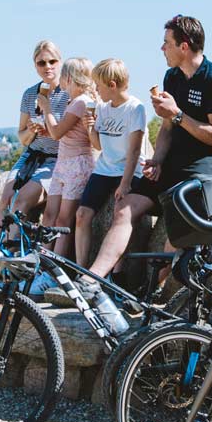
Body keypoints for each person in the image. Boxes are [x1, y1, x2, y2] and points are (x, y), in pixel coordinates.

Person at [86, 15, 212, 287]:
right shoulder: (172, 77)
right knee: (125, 208)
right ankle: (94, 279)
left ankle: (151, 293)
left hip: (203, 168)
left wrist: (178, 114)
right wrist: (157, 159)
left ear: (184, 46)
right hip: (171, 165)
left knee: (180, 231)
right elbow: (167, 128)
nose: (161, 48)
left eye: (166, 43)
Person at [0, 40, 71, 289]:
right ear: (35, 65)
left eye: (52, 61)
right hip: (32, 154)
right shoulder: (30, 94)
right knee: (5, 199)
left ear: (60, 62)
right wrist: (31, 131)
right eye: (41, 62)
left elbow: (69, 135)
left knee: (20, 202)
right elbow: (21, 136)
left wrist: (49, 125)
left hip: (57, 159)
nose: (47, 67)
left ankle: (6, 266)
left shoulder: (69, 93)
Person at [75, 58, 149, 278]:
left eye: (99, 85)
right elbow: (99, 145)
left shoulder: (135, 108)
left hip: (128, 170)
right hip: (104, 169)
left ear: (112, 85)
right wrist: (90, 129)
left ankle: (115, 274)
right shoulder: (102, 108)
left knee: (120, 217)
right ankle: (81, 269)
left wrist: (125, 183)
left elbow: (135, 151)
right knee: (81, 214)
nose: (96, 90)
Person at [41, 57, 98, 261]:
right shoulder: (74, 101)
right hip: (63, 163)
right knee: (49, 214)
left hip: (77, 165)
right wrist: (46, 130)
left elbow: (57, 133)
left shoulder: (82, 101)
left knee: (63, 219)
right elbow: (64, 133)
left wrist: (46, 107)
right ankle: (42, 260)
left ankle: (52, 267)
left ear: (69, 78)